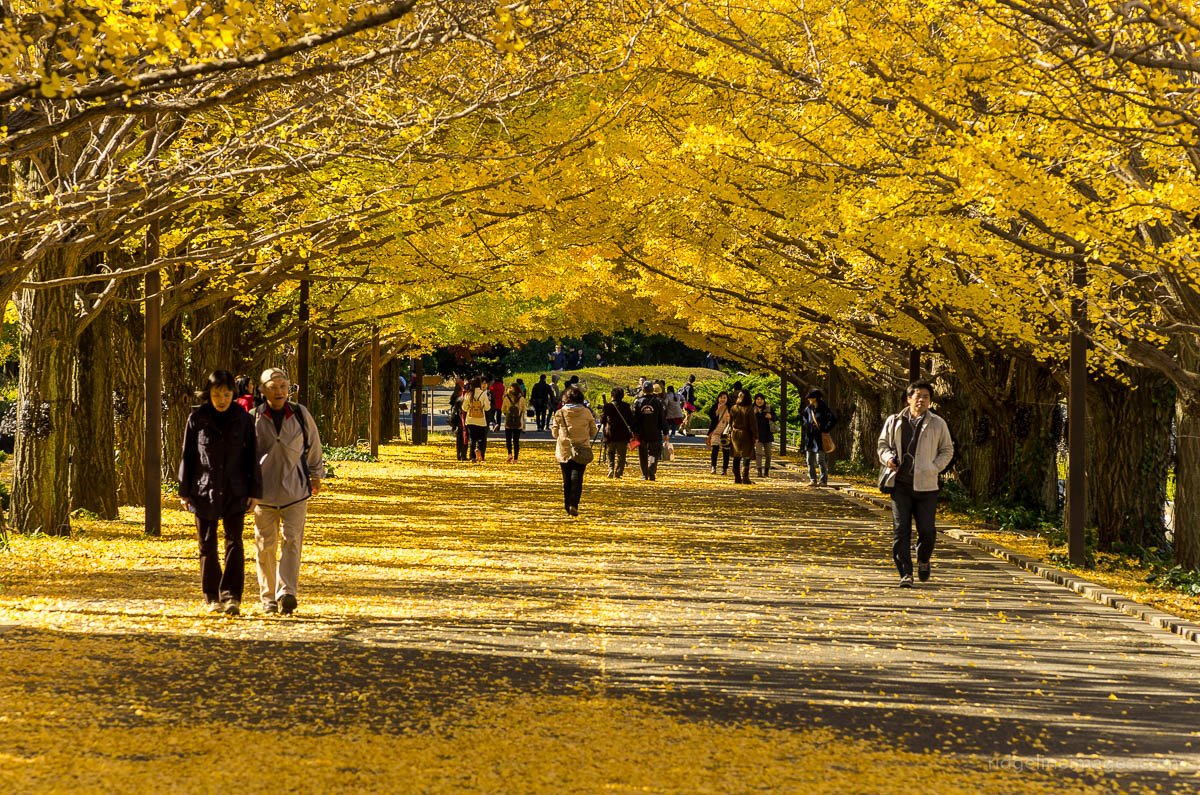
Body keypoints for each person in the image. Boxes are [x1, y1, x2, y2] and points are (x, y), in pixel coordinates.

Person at [179, 370, 262, 616]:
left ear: (233, 394)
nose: (222, 399)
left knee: (234, 543)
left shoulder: (243, 419)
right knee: (207, 545)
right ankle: (212, 596)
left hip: (235, 490)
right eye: (217, 394)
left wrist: (255, 491)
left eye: (227, 394)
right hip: (204, 490)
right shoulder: (197, 418)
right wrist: (184, 491)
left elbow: (252, 457)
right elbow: (188, 456)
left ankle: (232, 596)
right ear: (209, 394)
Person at [253, 368, 324, 615]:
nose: (279, 391)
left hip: (296, 490)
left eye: (283, 386)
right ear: (263, 391)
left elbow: (313, 445)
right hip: (263, 493)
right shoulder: (254, 418)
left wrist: (316, 475)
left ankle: (287, 592)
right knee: (266, 546)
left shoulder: (301, 414)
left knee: (292, 541)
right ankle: (268, 597)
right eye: (273, 387)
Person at [877, 381, 955, 588]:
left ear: (930, 401)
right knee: (901, 529)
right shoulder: (894, 421)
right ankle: (905, 573)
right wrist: (887, 459)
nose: (921, 400)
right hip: (900, 484)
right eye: (917, 396)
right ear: (908, 398)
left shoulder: (938, 423)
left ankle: (923, 558)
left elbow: (947, 450)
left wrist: (934, 467)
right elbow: (882, 445)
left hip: (927, 486)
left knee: (927, 530)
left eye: (926, 397)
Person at [551, 386, 598, 516]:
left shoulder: (560, 413)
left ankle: (567, 505)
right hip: (582, 448)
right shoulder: (586, 412)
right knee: (577, 478)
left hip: (564, 449)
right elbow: (593, 431)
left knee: (566, 479)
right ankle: (574, 504)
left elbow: (555, 433)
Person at [801, 389, 838, 486]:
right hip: (810, 438)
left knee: (820, 460)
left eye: (811, 398)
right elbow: (804, 418)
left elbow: (833, 419)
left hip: (819, 438)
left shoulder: (824, 408)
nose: (809, 399)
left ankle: (823, 480)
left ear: (815, 398)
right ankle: (813, 479)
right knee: (809, 460)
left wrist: (825, 429)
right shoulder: (808, 409)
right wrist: (807, 425)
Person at [632, 381, 668, 481]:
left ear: (643, 390)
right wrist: (665, 432)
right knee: (654, 453)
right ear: (652, 390)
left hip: (641, 432)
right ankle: (651, 470)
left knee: (642, 453)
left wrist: (633, 431)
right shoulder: (658, 402)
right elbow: (662, 418)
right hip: (655, 432)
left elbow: (634, 418)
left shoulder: (638, 402)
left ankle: (644, 474)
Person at [600, 387, 635, 478]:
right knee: (621, 455)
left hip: (610, 434)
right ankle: (618, 473)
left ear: (612, 395)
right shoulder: (626, 406)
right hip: (622, 435)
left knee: (610, 452)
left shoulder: (607, 406)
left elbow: (602, 420)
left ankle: (611, 468)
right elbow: (631, 421)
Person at [727, 389, 758, 484]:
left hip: (735, 434)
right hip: (746, 434)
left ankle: (737, 477)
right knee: (746, 455)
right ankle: (745, 476)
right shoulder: (749, 409)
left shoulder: (733, 408)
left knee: (736, 456)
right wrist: (756, 436)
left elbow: (730, 422)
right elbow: (753, 424)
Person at [464, 375, 491, 462]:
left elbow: (464, 408)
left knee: (472, 439)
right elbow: (487, 408)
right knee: (481, 438)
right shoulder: (483, 394)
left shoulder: (468, 394)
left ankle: (472, 456)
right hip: (481, 420)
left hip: (470, 419)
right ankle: (479, 451)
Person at [705, 391, 731, 474]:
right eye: (721, 397)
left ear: (727, 399)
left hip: (726, 432)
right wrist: (719, 409)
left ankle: (725, 469)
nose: (722, 399)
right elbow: (712, 417)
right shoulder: (714, 406)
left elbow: (733, 420)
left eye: (724, 398)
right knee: (715, 449)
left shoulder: (730, 408)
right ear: (718, 398)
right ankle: (713, 467)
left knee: (726, 451)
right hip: (715, 431)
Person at [501, 383, 527, 463]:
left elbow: (503, 410)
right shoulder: (521, 398)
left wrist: (507, 414)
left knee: (508, 439)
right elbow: (524, 410)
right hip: (518, 423)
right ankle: (516, 458)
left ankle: (509, 454)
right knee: (516, 441)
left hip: (508, 422)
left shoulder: (506, 398)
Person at [448, 377, 468, 461]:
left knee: (459, 437)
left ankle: (459, 454)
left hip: (457, 419)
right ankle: (462, 454)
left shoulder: (455, 395)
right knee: (464, 437)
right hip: (462, 419)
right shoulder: (461, 398)